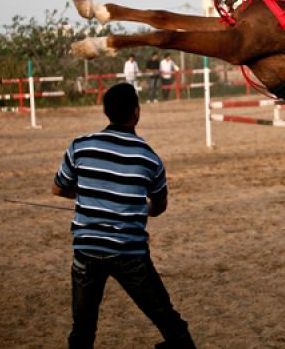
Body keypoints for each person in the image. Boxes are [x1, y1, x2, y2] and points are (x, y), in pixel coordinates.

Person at [52, 83, 195, 348]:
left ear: (106, 112)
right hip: (130, 253)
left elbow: (58, 188)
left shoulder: (80, 147)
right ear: (136, 112)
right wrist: (143, 208)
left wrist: (89, 194)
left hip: (87, 250)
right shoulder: (149, 158)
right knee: (168, 320)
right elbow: (159, 206)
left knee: (82, 330)